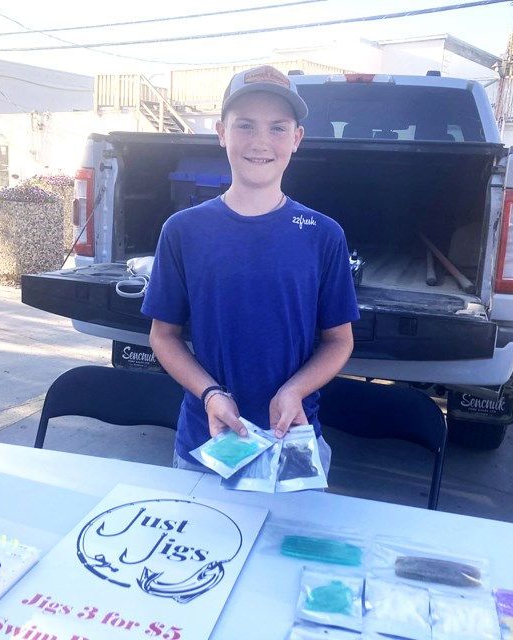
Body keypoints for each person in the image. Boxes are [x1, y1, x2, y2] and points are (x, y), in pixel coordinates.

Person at [141, 65, 361, 476]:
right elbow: (163, 335)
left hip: (292, 442)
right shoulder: (183, 231)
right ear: (221, 132)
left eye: (278, 128)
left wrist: (295, 389)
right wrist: (209, 395)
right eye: (245, 125)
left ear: (297, 139)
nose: (261, 142)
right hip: (207, 444)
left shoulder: (323, 234)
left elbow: (338, 341)